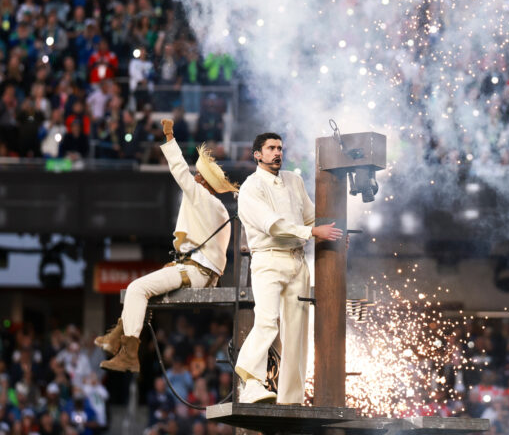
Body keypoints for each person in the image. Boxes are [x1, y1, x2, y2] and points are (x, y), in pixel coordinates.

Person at [95, 119, 235, 372]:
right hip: (200, 271)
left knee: (136, 289)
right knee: (144, 291)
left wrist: (169, 137)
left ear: (204, 184)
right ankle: (116, 337)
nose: (194, 177)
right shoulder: (218, 208)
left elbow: (179, 170)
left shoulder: (202, 198)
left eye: (199, 176)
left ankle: (128, 355)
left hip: (195, 271)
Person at [233, 133, 344, 404]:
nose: (277, 152)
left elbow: (310, 214)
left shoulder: (294, 180)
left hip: (297, 259)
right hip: (269, 259)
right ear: (257, 154)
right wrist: (315, 231)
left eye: (280, 148)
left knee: (297, 331)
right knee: (267, 321)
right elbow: (274, 225)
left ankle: (291, 398)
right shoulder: (251, 187)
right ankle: (250, 384)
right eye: (271, 148)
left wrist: (335, 228)